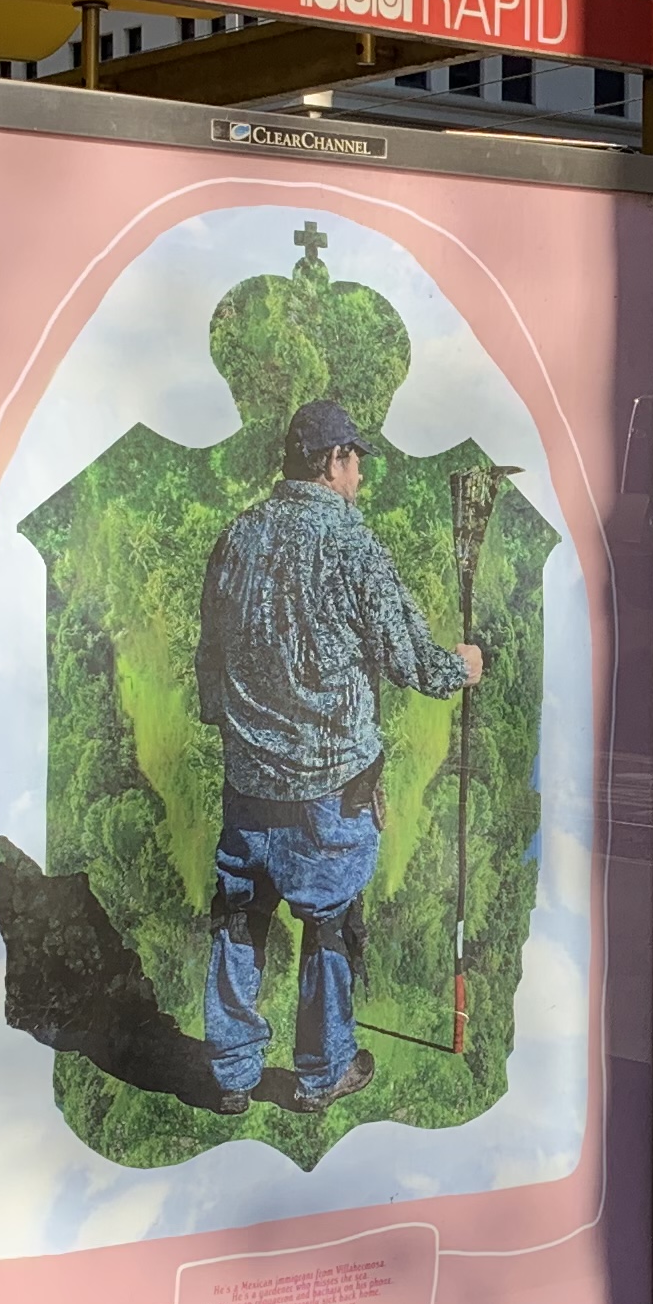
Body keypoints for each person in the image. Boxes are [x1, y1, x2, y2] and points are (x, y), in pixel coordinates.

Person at [192, 396, 482, 1112]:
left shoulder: (239, 536)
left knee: (239, 913)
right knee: (327, 921)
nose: (359, 478)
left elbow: (210, 654)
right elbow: (411, 658)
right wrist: (463, 667)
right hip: (330, 787)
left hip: (249, 780)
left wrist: (231, 727)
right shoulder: (353, 544)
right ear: (333, 461)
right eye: (355, 463)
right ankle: (323, 1074)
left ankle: (231, 1075)